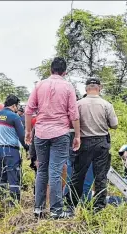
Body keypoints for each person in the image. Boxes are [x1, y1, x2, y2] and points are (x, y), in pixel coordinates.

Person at [25, 57, 81, 219]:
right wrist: (77, 135)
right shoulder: (68, 86)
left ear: (50, 70)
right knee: (55, 172)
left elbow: (29, 111)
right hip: (60, 133)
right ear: (65, 72)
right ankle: (56, 211)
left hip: (41, 133)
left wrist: (29, 131)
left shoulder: (39, 85)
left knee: (42, 171)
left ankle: (38, 209)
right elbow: (74, 114)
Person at [66, 78, 118, 213]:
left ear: (86, 89)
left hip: (84, 142)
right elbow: (114, 125)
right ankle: (98, 207)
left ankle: (72, 204)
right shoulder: (106, 104)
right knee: (100, 176)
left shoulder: (78, 104)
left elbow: (72, 122)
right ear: (99, 88)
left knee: (78, 175)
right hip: (101, 142)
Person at [0, 95, 28, 206]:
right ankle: (13, 204)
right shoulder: (14, 117)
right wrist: (28, 149)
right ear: (14, 105)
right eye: (17, 105)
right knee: (13, 177)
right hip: (11, 151)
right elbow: (22, 136)